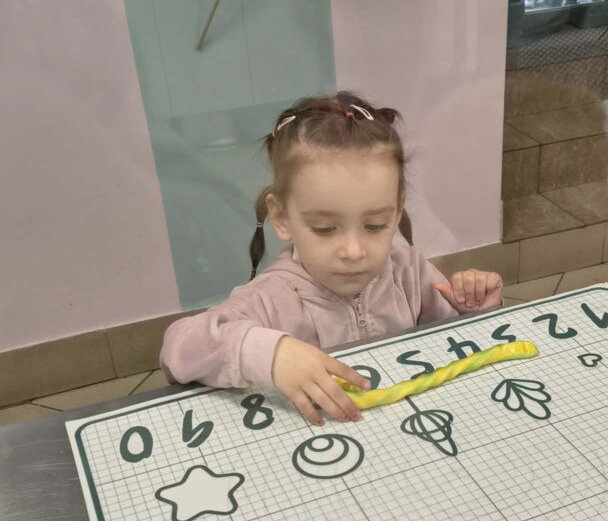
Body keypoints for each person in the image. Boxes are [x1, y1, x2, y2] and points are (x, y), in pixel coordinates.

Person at [161, 92, 504, 425]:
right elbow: (177, 351)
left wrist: (475, 312)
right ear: (282, 218)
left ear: (398, 210)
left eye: (375, 225)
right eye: (325, 229)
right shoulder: (269, 299)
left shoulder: (409, 271)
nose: (354, 251)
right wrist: (269, 354)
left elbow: (449, 343)